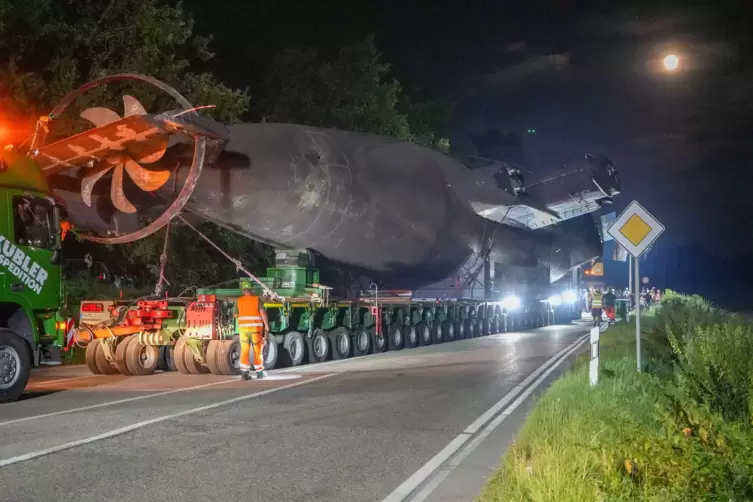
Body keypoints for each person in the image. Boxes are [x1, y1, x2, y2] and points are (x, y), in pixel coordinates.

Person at [234, 284, 270, 380]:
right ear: (252, 290)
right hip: (255, 330)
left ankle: (244, 373)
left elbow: (235, 314)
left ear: (243, 291)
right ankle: (259, 373)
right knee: (257, 351)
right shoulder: (257, 300)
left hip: (244, 331)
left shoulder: (239, 301)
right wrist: (266, 326)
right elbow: (263, 313)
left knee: (244, 351)